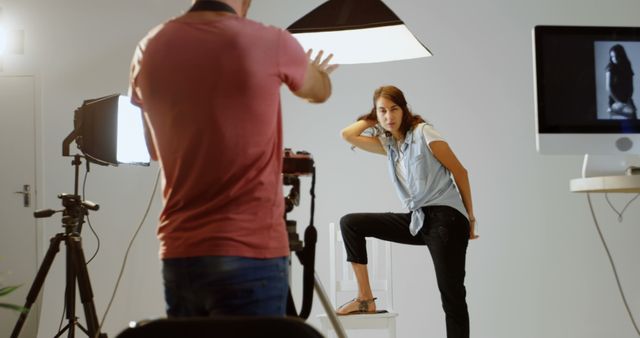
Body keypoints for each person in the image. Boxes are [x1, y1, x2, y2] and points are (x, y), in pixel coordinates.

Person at [128, 0, 337, 318]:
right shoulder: (271, 41)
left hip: (181, 253)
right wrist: (315, 71)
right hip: (251, 251)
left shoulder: (150, 46)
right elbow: (319, 91)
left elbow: (153, 148)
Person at [338, 86, 477, 338]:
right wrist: (372, 118)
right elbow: (347, 135)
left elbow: (460, 172)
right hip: (419, 219)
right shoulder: (390, 145)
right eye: (383, 111)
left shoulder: (424, 132)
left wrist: (470, 217)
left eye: (394, 109)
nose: (389, 116)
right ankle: (365, 299)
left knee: (452, 296)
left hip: (447, 218)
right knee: (350, 223)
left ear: (404, 110)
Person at [606, 44, 636, 119]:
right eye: (612, 57)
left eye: (616, 56)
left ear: (621, 55)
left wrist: (628, 99)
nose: (614, 59)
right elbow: (609, 88)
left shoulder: (627, 66)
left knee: (634, 118)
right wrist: (619, 102)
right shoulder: (610, 68)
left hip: (627, 100)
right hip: (615, 100)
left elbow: (631, 86)